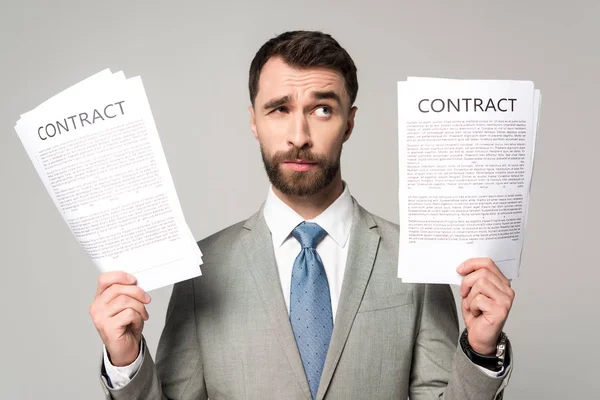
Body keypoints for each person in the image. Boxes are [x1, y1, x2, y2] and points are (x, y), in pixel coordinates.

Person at [90, 30, 514, 400]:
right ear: (254, 121)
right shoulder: (203, 270)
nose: (299, 137)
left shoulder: (415, 261)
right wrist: (125, 359)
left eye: (322, 109)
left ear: (349, 123)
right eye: (279, 109)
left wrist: (479, 349)